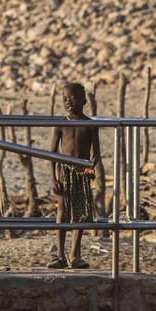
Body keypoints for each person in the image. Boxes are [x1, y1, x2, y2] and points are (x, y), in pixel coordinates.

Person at [48, 83, 101, 269]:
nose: (68, 102)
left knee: (82, 213)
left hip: (82, 172)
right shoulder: (61, 124)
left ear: (84, 101)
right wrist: (54, 178)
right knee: (62, 211)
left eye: (73, 98)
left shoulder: (90, 125)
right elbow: (52, 153)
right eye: (65, 99)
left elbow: (96, 154)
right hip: (64, 172)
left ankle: (74, 256)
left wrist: (89, 169)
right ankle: (59, 255)